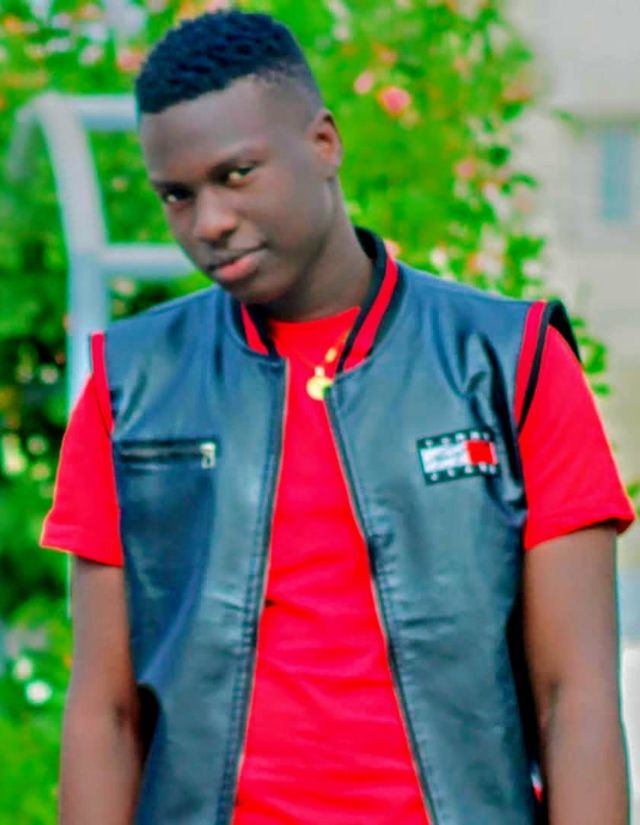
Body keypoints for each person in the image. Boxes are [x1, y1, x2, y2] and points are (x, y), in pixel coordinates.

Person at [41, 10, 635, 825]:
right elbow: (103, 715)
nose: (208, 222)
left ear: (324, 143)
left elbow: (578, 699)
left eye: (236, 174)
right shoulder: (131, 385)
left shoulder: (513, 361)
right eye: (177, 195)